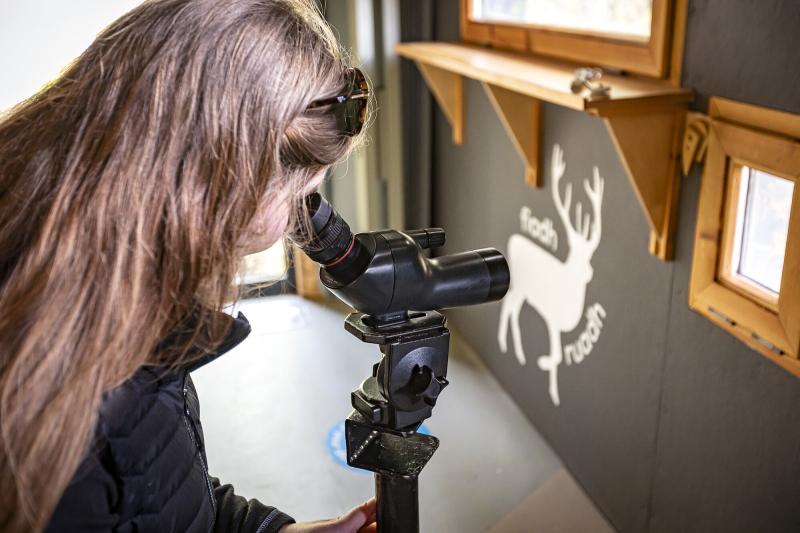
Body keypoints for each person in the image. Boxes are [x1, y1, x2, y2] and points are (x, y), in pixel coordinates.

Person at [0, 0, 377, 531]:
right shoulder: (53, 407)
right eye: (301, 193)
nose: (301, 217)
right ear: (220, 181)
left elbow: (164, 505)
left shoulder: (128, 299)